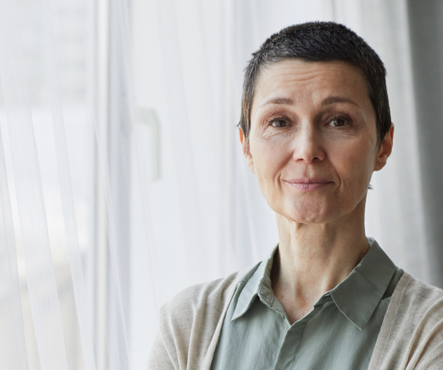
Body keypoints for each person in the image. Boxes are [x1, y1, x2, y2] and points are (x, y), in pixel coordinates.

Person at [147, 21, 443, 370]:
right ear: (247, 148)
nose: (307, 150)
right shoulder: (188, 324)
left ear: (383, 145)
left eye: (338, 121)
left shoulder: (430, 331)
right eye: (279, 122)